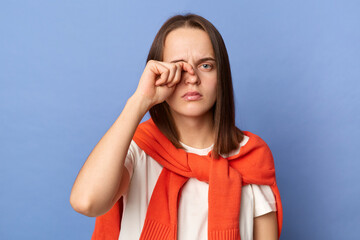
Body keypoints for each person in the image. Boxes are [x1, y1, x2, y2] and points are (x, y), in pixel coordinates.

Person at [70, 13, 283, 240]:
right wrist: (139, 101)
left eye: (206, 65)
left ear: (221, 75)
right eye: (178, 67)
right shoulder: (137, 150)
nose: (192, 78)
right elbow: (86, 202)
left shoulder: (250, 156)